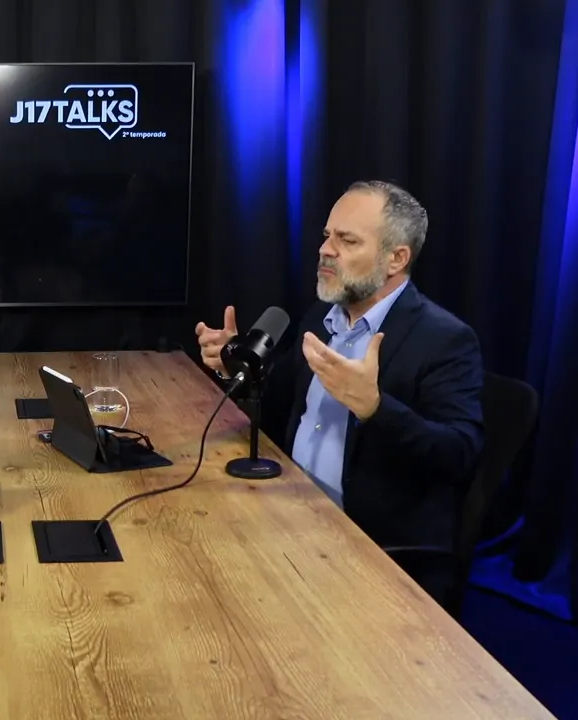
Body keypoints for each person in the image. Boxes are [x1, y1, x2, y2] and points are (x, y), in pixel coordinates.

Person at [194, 180, 484, 602]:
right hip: (284, 509)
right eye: (327, 236)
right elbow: (276, 412)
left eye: (347, 240)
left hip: (365, 548)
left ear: (395, 259)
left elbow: (459, 455)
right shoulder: (320, 317)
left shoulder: (444, 339)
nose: (326, 250)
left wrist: (375, 409)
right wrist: (234, 370)